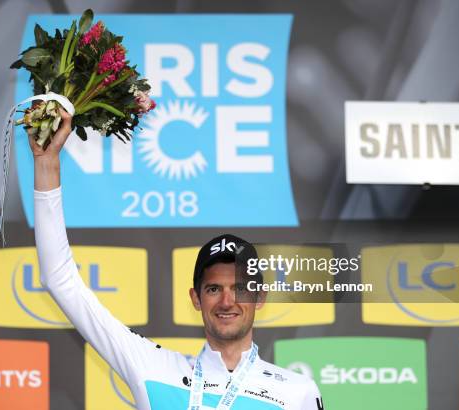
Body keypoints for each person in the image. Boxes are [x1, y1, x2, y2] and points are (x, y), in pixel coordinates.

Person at [31, 109, 324, 410]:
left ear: (259, 297)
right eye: (213, 289)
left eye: (240, 288)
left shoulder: (297, 392)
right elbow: (59, 278)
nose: (227, 301)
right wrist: (46, 164)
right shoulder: (154, 369)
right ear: (195, 298)